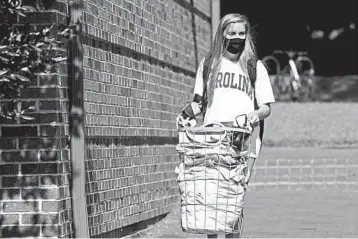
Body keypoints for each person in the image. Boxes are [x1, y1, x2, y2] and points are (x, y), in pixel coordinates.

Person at [176, 13, 275, 238]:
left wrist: (253, 115)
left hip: (240, 140)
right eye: (232, 33)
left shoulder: (255, 67)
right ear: (223, 34)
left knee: (233, 200)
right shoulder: (209, 64)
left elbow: (266, 107)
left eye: (242, 33)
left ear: (247, 35)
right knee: (212, 198)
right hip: (211, 139)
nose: (237, 37)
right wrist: (186, 112)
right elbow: (199, 103)